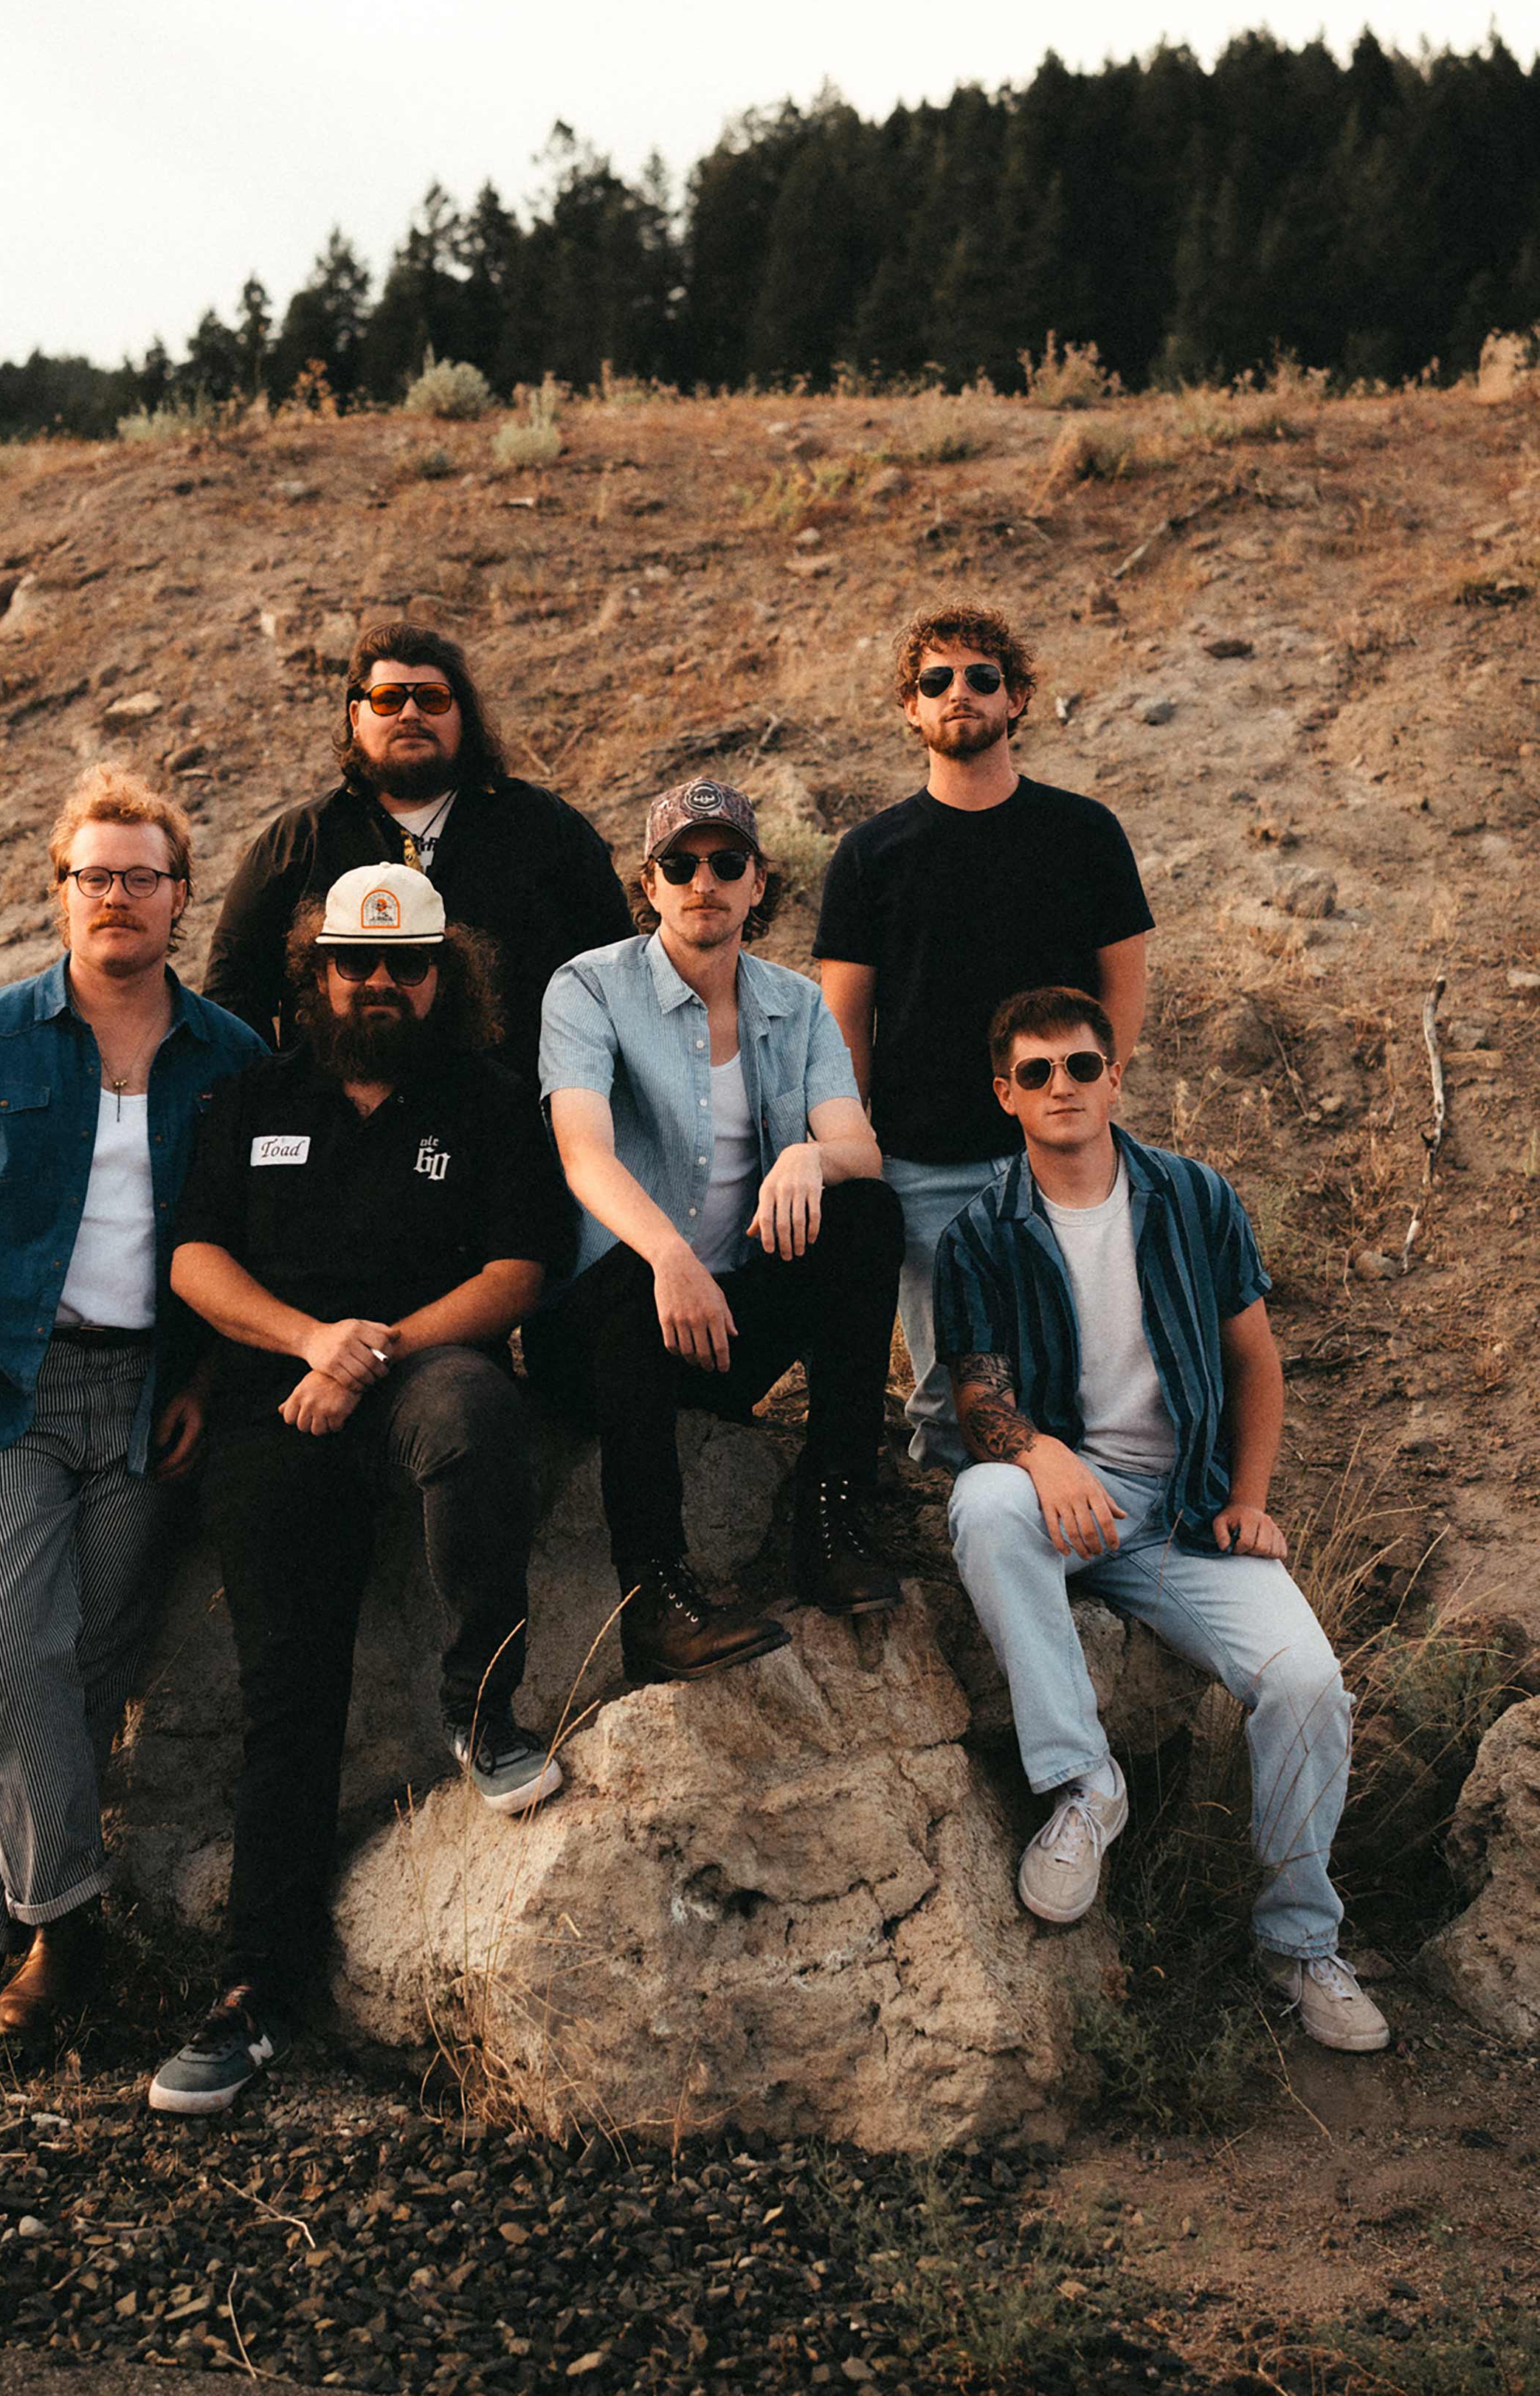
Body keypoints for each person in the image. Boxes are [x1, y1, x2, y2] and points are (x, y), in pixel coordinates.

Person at [0, 768, 265, 2061]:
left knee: (85, 1673)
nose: (117, 896)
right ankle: (68, 1922)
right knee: (1, 1649)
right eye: (94, 876)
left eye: (142, 876)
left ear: (180, 897)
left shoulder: (233, 1059)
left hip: (147, 1401)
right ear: (60, 893)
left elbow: (255, 1239)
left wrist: (202, 1384)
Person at [147, 862, 573, 2116]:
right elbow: (194, 1260)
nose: (379, 982)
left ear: (446, 977)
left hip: (418, 1373)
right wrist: (309, 1344)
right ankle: (254, 1996)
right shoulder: (251, 1097)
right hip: (275, 1405)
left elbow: (519, 1272)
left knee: (473, 1413)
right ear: (316, 972)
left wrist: (371, 1352)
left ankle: (482, 1711)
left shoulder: (491, 1101)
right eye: (354, 962)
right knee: (288, 1691)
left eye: (407, 964)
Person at [936, 985, 1389, 2053]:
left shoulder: (1192, 1197)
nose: (1061, 1086)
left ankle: (1297, 1943)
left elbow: (1254, 1363)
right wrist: (1043, 1454)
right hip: (1063, 1505)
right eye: (1036, 1072)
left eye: (1080, 1066)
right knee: (984, 1499)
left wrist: (1248, 1501)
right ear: (1005, 1095)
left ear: (1114, 1077)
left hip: (1182, 1512)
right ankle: (1084, 1787)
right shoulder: (979, 1234)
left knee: (1305, 1684)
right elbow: (979, 1402)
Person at [531, 779, 905, 1685]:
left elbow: (859, 1150)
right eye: (679, 864)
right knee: (630, 1273)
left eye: (726, 862)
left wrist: (809, 1157)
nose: (703, 881)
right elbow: (582, 1153)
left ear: (757, 882)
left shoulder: (797, 1005)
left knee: (865, 1210)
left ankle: (831, 1517)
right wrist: (667, 1254)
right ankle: (655, 1596)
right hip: (605, 1336)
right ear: (648, 883)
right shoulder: (588, 987)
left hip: (723, 1330)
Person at [815, 600, 1153, 1469]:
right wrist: (857, 1141)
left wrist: (1093, 1098)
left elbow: (1122, 984)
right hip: (925, 1162)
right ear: (911, 708)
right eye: (934, 680)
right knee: (951, 1404)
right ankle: (961, 1529)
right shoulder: (869, 853)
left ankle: (1088, 1522)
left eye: (979, 676)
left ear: (1016, 697)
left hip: (1060, 1147)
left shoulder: (1082, 832)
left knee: (1079, 1373)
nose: (956, 692)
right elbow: (842, 1021)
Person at [201, 619, 633, 1081]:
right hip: (340, 1118)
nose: (410, 714)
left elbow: (615, 969)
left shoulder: (542, 826)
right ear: (355, 717)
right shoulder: (299, 841)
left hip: (518, 1113)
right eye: (388, 699)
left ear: (462, 715)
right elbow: (233, 993)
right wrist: (282, 1096)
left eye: (432, 698)